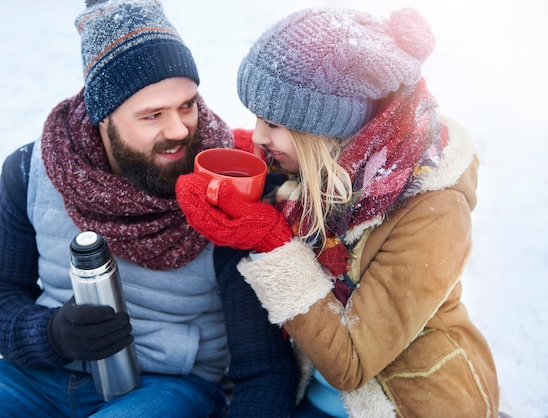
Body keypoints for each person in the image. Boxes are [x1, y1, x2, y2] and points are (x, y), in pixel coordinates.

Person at [0, 1, 300, 417]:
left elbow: (264, 369)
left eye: (187, 105)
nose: (178, 129)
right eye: (152, 115)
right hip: (40, 376)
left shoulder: (226, 188)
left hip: (169, 387)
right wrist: (51, 334)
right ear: (103, 118)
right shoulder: (31, 172)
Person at [176, 6, 501, 418]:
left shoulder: (433, 210)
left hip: (401, 402)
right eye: (257, 119)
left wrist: (274, 244)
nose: (259, 135)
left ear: (328, 127)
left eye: (273, 124)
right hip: (312, 392)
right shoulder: (334, 164)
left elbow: (351, 364)